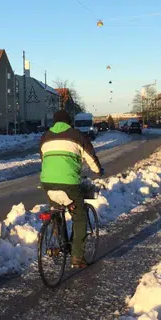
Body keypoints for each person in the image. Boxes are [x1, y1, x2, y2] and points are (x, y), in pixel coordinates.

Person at [40, 110, 104, 268]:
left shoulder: (45, 137)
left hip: (47, 183)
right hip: (69, 184)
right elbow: (90, 157)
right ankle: (77, 257)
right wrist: (98, 171)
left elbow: (43, 158)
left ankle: (58, 239)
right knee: (79, 215)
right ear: (69, 122)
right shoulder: (77, 136)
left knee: (56, 210)